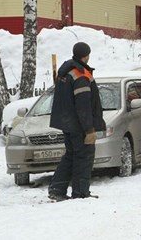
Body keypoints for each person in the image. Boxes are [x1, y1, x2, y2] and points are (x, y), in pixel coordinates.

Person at [48, 42, 106, 201]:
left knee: (70, 156)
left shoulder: (65, 72)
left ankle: (57, 189)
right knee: (84, 158)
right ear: (86, 55)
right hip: (80, 126)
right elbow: (83, 106)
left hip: (67, 124)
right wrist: (89, 129)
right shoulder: (81, 75)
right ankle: (80, 193)